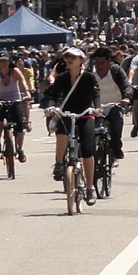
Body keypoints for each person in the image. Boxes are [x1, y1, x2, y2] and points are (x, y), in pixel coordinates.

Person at [46, 47, 100, 185]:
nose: (69, 60)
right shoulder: (62, 77)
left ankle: (89, 187)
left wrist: (97, 108)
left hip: (85, 113)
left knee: (87, 150)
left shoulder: (89, 77)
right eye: (67, 57)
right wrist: (51, 107)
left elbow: (95, 93)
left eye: (73, 57)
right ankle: (59, 162)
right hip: (68, 112)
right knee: (62, 131)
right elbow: (52, 94)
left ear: (81, 60)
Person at [88, 47, 131, 162]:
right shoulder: (89, 72)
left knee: (117, 121)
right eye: (97, 62)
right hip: (94, 107)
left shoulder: (116, 71)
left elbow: (126, 85)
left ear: (109, 61)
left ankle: (116, 148)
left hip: (113, 105)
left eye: (102, 63)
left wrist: (126, 98)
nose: (99, 66)